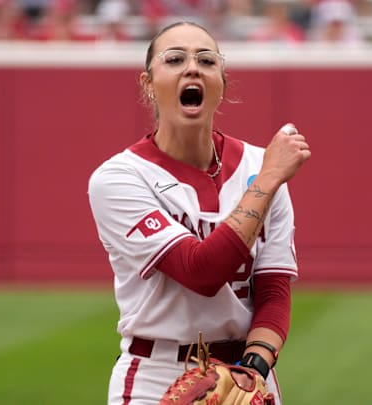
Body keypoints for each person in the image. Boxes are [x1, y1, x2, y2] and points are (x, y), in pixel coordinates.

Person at [87, 21, 311, 404]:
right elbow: (201, 271)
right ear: (147, 83)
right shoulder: (119, 178)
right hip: (155, 375)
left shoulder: (260, 164)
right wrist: (269, 179)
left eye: (206, 60)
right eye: (174, 59)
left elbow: (273, 289)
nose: (192, 67)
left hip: (246, 376)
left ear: (221, 82)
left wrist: (254, 368)